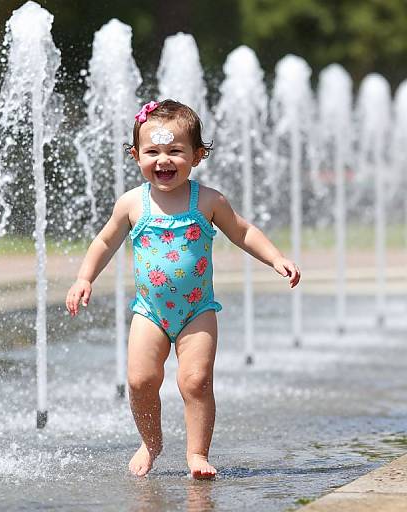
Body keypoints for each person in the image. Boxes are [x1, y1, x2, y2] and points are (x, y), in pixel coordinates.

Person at [66, 99, 301, 479]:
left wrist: (276, 258)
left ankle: (197, 454)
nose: (164, 160)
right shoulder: (132, 204)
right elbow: (104, 241)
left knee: (195, 380)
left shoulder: (207, 200)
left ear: (197, 155)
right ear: (135, 155)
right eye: (153, 151)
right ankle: (151, 442)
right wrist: (84, 278)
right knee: (141, 380)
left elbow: (242, 231)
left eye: (175, 151)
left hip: (197, 310)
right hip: (150, 311)